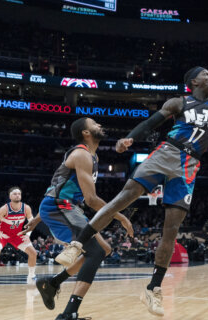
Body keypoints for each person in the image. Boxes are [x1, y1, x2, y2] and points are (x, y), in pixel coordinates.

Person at [54, 56, 208, 316]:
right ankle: (77, 244)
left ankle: (153, 288)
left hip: (190, 165)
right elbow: (151, 123)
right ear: (194, 81)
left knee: (172, 229)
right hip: (166, 153)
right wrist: (130, 138)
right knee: (125, 198)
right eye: (206, 74)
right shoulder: (179, 102)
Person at [22, 118, 133, 320]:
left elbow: (58, 184)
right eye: (94, 123)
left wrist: (38, 218)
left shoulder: (92, 156)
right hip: (60, 207)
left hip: (63, 206)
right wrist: (121, 216)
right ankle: (68, 314)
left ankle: (53, 283)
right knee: (96, 251)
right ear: (85, 132)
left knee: (105, 250)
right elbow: (91, 199)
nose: (99, 125)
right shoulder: (81, 154)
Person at [0, 187, 37, 284]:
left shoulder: (26, 208)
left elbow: (32, 222)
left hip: (17, 236)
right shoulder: (4, 209)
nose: (17, 195)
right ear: (10, 196)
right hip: (3, 235)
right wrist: (0, 233)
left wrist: (27, 234)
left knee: (33, 253)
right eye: (15, 194)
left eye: (19, 193)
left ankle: (31, 276)